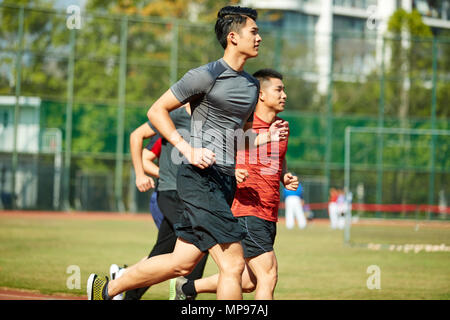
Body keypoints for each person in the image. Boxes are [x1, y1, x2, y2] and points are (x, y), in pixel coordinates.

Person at [87, 5, 289, 300]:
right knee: (233, 264)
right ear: (233, 37)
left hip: (224, 181)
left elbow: (237, 136)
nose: (259, 37)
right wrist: (187, 149)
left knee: (182, 262)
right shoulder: (206, 75)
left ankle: (106, 289)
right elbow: (156, 111)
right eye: (253, 32)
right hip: (198, 178)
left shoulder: (249, 86)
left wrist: (262, 139)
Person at [168, 68, 298, 300]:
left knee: (248, 281)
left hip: (269, 212)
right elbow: (224, 149)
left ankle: (187, 288)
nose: (284, 95)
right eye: (279, 89)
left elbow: (279, 158)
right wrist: (233, 170)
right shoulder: (242, 125)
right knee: (269, 275)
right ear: (261, 95)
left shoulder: (281, 126)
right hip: (246, 210)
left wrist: (284, 175)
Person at [109, 104, 209, 301]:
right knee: (200, 240)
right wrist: (139, 174)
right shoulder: (172, 116)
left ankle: (123, 283)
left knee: (163, 251)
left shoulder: (209, 120)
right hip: (171, 192)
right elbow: (136, 136)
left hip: (192, 194)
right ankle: (185, 295)